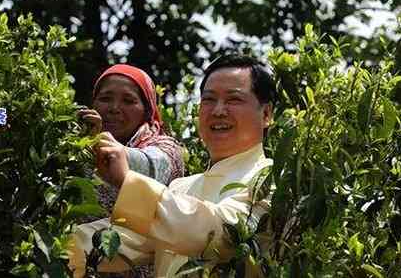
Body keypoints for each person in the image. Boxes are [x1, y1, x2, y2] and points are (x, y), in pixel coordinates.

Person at [69, 55, 276, 278]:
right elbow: (119, 240)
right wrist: (44, 245)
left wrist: (127, 179)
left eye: (233, 100)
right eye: (208, 100)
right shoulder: (180, 187)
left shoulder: (271, 178)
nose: (218, 111)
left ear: (266, 114)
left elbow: (220, 233)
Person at [78, 64, 185, 277]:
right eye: (105, 99)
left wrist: (103, 145)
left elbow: (150, 167)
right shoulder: (77, 148)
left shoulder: (166, 148)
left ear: (147, 110)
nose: (114, 108)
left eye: (128, 101)